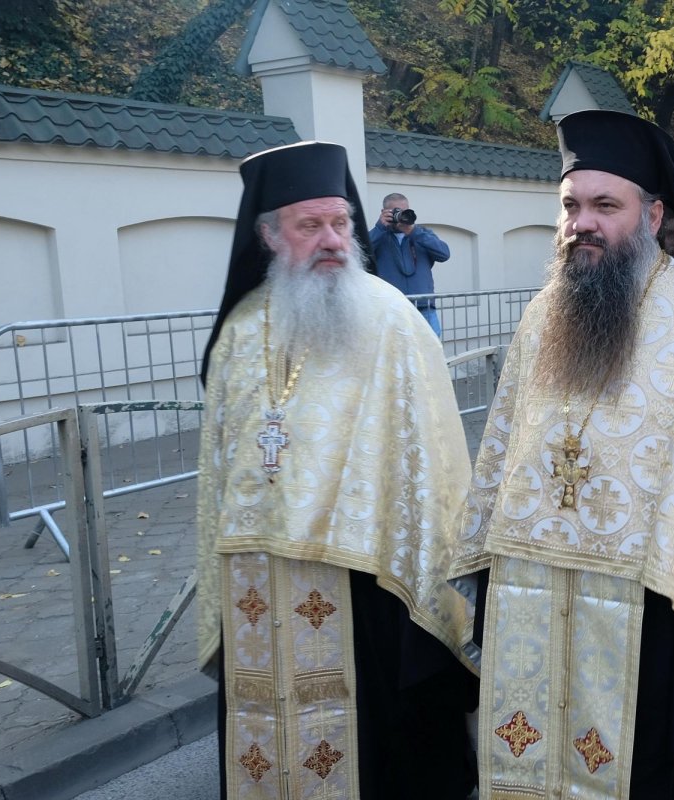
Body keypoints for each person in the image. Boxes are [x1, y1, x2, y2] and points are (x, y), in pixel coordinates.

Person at [450, 109, 674, 800]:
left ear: (652, 214)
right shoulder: (542, 316)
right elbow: (502, 457)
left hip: (655, 628)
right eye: (571, 206)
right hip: (535, 608)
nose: (582, 223)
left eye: (604, 206)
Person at [196, 142, 478, 798]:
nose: (331, 239)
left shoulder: (390, 319)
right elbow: (219, 470)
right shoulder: (238, 332)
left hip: (367, 583)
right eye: (310, 225)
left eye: (340, 222)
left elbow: (431, 463)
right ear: (269, 235)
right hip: (259, 586)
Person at [369, 191, 451, 336]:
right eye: (396, 211)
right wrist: (380, 228)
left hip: (424, 309)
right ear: (384, 212)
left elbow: (444, 254)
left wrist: (414, 232)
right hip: (391, 311)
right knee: (395, 350)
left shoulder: (421, 234)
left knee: (430, 350)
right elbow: (360, 253)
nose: (401, 216)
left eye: (404, 211)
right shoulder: (379, 236)